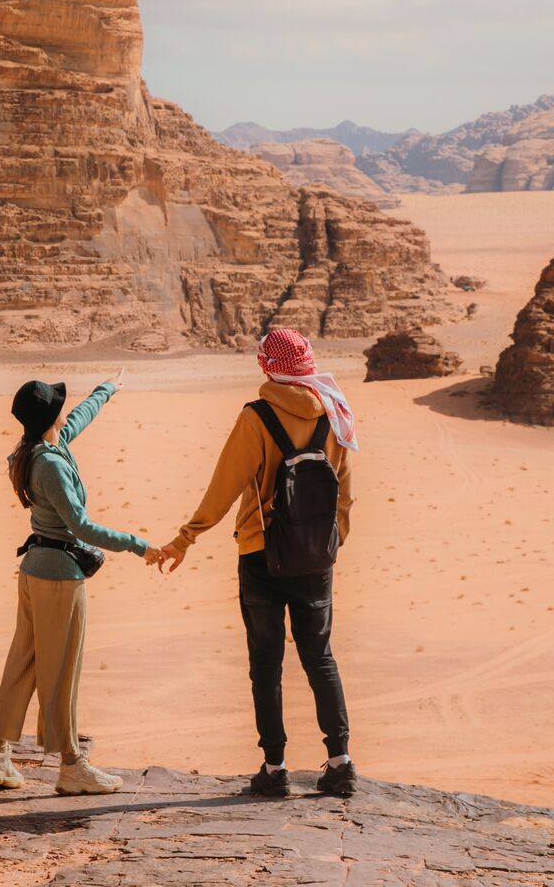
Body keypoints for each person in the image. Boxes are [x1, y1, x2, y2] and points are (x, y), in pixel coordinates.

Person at [156, 329, 357, 798]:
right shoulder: (335, 411)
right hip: (315, 560)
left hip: (261, 556)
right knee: (319, 657)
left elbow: (224, 486)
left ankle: (274, 768)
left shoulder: (257, 417)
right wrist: (329, 543)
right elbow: (345, 492)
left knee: (266, 664)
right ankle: (341, 761)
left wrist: (185, 538)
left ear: (269, 367)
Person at [0, 373, 162, 796]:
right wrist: (140, 546)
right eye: (58, 408)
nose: (66, 412)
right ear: (49, 417)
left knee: (22, 661)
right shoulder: (52, 465)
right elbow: (80, 525)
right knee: (61, 670)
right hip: (60, 577)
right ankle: (71, 766)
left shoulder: (33, 450)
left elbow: (78, 418)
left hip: (33, 572)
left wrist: (107, 390)